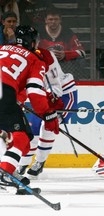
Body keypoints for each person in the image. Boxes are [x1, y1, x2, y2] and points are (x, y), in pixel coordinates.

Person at [0, 25, 59, 187]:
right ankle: (5, 171)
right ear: (32, 43)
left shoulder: (2, 48)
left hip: (6, 95)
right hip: (3, 92)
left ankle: (8, 169)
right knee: (21, 136)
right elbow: (34, 90)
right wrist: (46, 112)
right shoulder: (35, 59)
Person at [16, 48, 78, 177]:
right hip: (43, 96)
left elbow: (56, 84)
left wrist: (51, 96)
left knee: (48, 126)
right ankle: (22, 163)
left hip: (65, 95)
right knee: (32, 132)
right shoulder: (19, 58)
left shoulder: (45, 55)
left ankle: (39, 162)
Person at [38, 8, 86, 78]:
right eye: (50, 19)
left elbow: (82, 52)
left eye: (56, 19)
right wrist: (46, 54)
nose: (53, 22)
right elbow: (32, 52)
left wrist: (65, 54)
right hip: (44, 65)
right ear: (45, 20)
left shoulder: (68, 33)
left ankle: (74, 80)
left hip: (64, 65)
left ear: (60, 20)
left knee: (80, 61)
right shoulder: (39, 33)